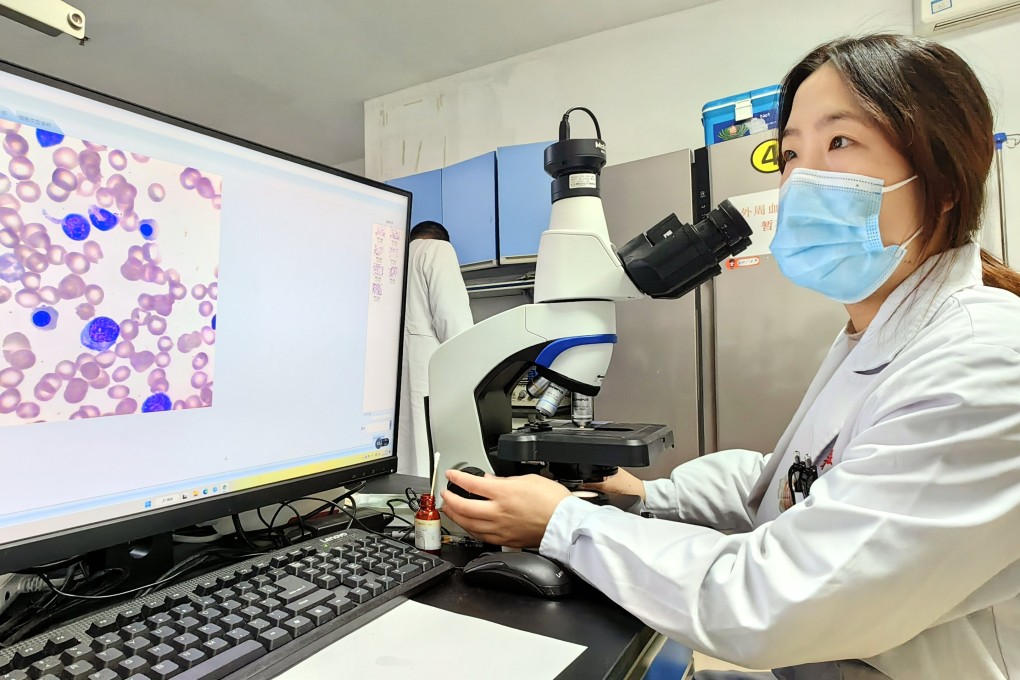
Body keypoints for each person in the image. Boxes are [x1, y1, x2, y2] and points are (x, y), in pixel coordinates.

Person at [442, 34, 1020, 680]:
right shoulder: (882, 333)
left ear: (943, 183)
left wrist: (565, 524)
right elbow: (789, 483)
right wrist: (652, 495)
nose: (801, 179)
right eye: (791, 152)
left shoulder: (985, 363)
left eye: (840, 143)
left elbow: (774, 601)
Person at [397, 220, 473, 477]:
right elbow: (452, 320)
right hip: (428, 366)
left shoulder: (395, 256)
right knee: (425, 444)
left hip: (394, 366)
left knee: (403, 443)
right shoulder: (438, 250)